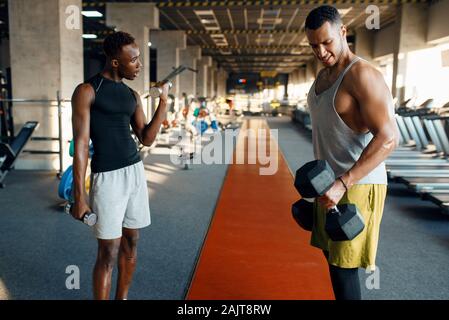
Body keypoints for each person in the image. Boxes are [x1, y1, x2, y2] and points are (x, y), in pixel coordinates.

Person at [304, 5, 399, 300]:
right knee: (332, 261)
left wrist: (344, 182)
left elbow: (389, 136)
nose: (320, 51)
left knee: (343, 268)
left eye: (326, 42)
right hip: (330, 184)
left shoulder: (362, 75)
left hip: (358, 183)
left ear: (343, 32)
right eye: (313, 45)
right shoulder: (321, 78)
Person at [71, 31, 169, 300]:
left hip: (135, 171)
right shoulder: (87, 91)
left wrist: (163, 103)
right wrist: (79, 197)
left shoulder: (132, 95)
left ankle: (122, 297)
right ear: (115, 62)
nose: (138, 65)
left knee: (132, 242)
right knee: (108, 251)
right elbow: (80, 145)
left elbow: (146, 138)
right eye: (134, 60)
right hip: (107, 177)